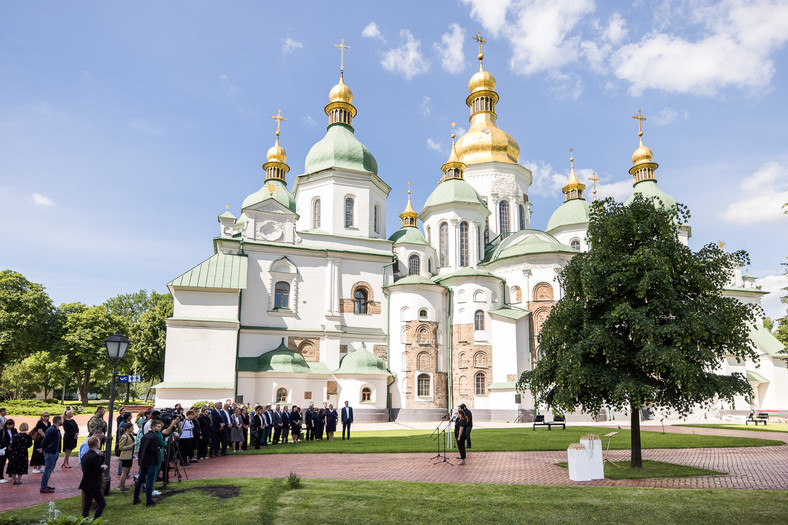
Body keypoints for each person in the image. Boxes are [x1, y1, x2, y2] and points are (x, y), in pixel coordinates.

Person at [134, 420, 162, 507]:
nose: (160, 428)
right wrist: (158, 449)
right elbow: (154, 450)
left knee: (140, 480)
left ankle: (136, 498)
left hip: (143, 461)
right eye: (158, 426)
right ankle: (149, 501)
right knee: (150, 480)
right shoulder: (154, 437)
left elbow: (141, 448)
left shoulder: (144, 436)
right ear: (153, 427)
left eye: (160, 426)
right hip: (151, 461)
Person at [79, 436, 107, 519]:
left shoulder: (84, 456)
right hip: (94, 484)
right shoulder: (95, 457)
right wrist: (103, 467)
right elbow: (97, 470)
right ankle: (96, 520)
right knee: (102, 504)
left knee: (87, 505)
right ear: (97, 444)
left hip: (86, 482)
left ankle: (84, 520)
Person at [39, 414, 63, 493]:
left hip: (54, 452)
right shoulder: (52, 430)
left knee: (49, 469)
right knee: (48, 469)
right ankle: (43, 487)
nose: (62, 421)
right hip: (50, 452)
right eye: (61, 420)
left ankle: (45, 485)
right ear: (58, 421)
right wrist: (44, 449)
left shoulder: (56, 429)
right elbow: (44, 441)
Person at [116, 423, 136, 491]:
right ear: (127, 428)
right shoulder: (124, 436)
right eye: (131, 427)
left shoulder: (130, 435)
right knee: (124, 473)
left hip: (129, 456)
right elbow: (121, 447)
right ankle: (122, 487)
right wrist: (132, 445)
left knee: (126, 472)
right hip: (125, 456)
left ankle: (121, 485)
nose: (133, 429)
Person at [0, 418, 17, 483]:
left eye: (11, 425)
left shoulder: (14, 430)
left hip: (12, 449)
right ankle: (1, 477)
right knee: (2, 463)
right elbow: (1, 440)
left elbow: (16, 438)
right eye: (8, 424)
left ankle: (11, 475)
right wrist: (7, 446)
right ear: (6, 424)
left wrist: (12, 446)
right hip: (4, 449)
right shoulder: (2, 431)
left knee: (11, 463)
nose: (9, 426)